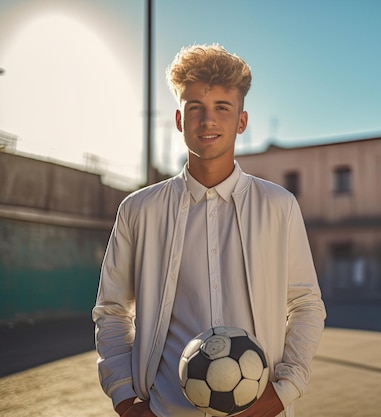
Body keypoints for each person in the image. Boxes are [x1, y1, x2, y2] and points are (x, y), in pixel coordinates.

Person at [93, 43, 326, 417]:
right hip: (167, 409)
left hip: (259, 409)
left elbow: (305, 304)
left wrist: (284, 390)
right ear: (179, 119)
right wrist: (124, 398)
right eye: (195, 108)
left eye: (222, 107)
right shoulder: (138, 210)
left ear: (241, 121)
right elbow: (112, 308)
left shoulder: (279, 205)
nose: (208, 121)